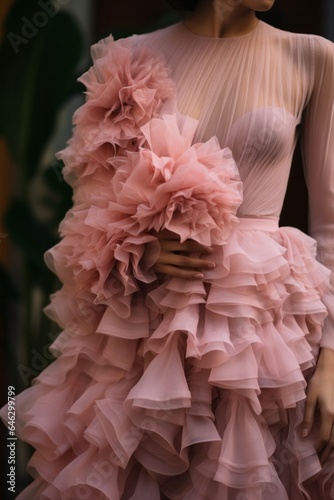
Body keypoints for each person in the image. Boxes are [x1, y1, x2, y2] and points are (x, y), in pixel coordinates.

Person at [2, 0, 334, 498]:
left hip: (264, 338)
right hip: (147, 330)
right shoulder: (132, 60)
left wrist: (332, 361)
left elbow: (329, 226)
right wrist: (142, 250)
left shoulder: (313, 56)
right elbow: (90, 213)